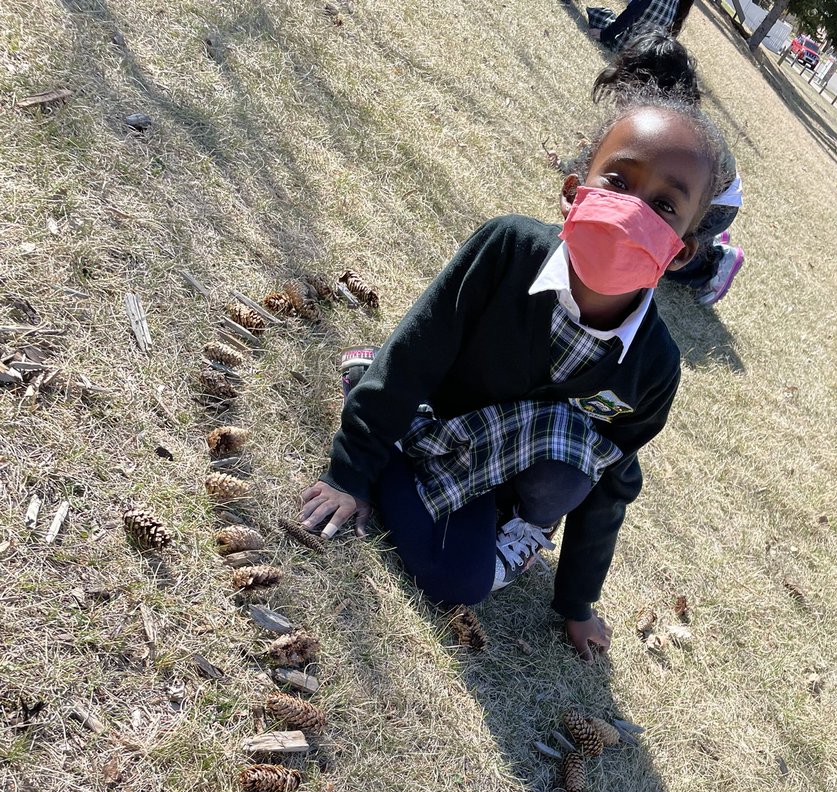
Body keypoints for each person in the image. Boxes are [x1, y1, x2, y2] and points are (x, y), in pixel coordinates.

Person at [298, 91, 730, 661]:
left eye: (665, 207)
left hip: (491, 477)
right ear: (576, 191)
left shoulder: (654, 369)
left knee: (462, 579)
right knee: (399, 397)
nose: (633, 213)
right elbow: (415, 353)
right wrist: (350, 474)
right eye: (618, 183)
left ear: (679, 253)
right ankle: (376, 410)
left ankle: (468, 501)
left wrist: (576, 603)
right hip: (435, 417)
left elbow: (613, 482)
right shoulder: (508, 248)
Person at [591, 33, 744, 304]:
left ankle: (716, 264)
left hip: (717, 205)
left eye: (632, 84)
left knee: (659, 258)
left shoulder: (680, 135)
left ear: (656, 88)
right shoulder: (655, 120)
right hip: (698, 199)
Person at [586, 0, 695, 49]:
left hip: (625, 44)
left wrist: (604, 35)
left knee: (601, 13)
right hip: (644, 53)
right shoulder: (677, 4)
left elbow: (629, 16)